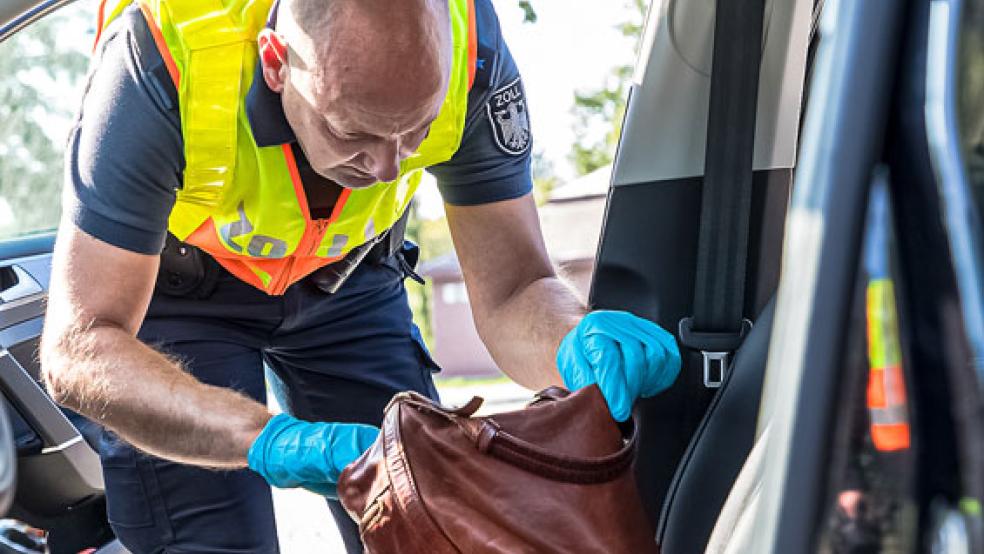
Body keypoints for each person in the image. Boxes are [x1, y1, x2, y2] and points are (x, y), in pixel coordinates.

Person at [40, 0, 682, 551]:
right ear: (276, 61)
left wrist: (571, 339)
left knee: (429, 516)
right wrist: (267, 439)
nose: (386, 167)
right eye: (353, 133)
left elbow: (515, 289)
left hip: (351, 280)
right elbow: (79, 347)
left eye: (418, 132)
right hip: (179, 297)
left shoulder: (473, 56)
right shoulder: (161, 65)